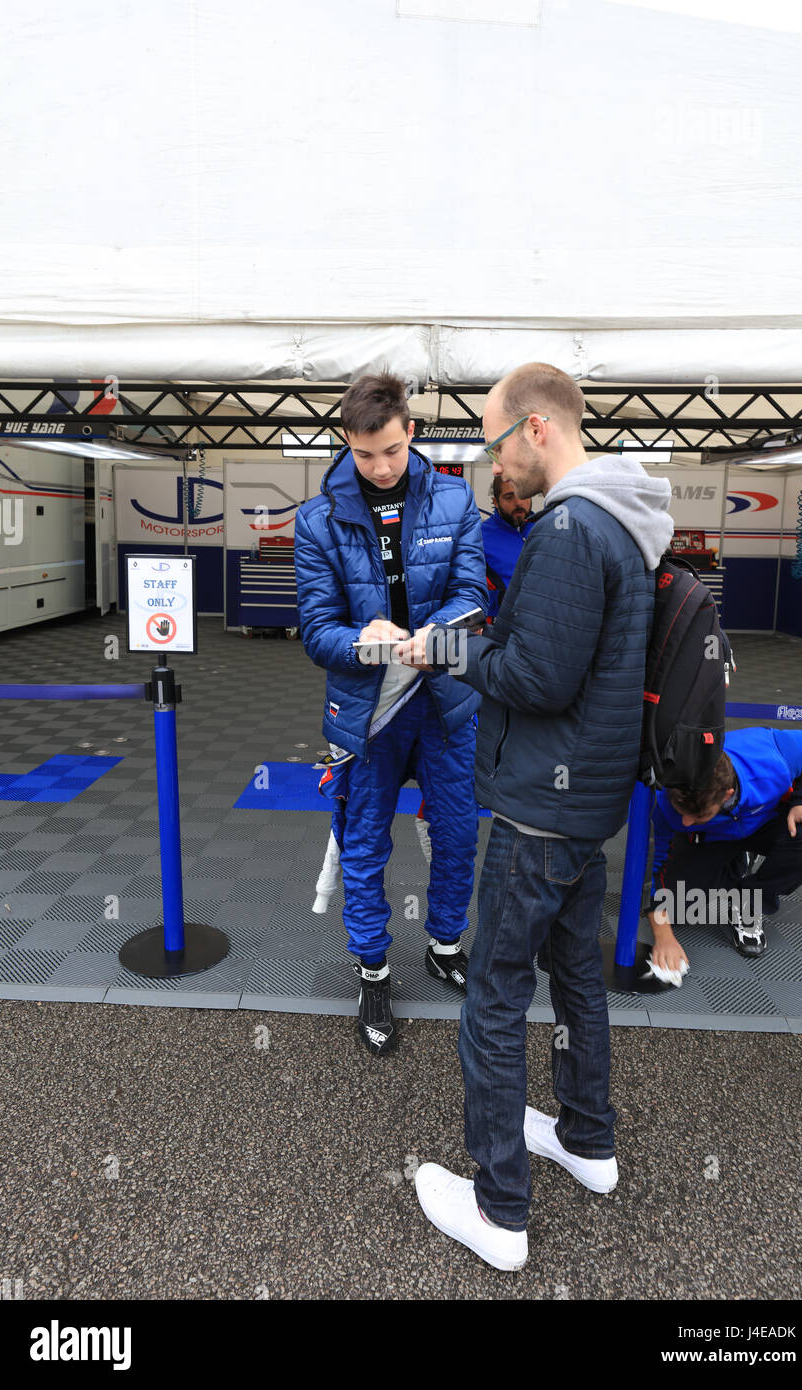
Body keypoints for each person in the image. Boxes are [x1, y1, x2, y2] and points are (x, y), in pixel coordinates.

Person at [395, 361, 673, 1270]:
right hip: (587, 801)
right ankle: (589, 1142)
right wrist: (471, 640)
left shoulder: (567, 528)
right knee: (577, 980)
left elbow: (534, 678)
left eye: (495, 442)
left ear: (537, 430)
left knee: (494, 997)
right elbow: (559, 652)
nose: (493, 464)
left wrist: (447, 657)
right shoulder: (626, 523)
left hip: (539, 806)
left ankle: (499, 1209)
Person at [294, 371, 488, 1057]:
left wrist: (429, 639)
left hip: (443, 700)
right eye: (362, 454)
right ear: (346, 441)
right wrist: (359, 641)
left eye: (390, 451)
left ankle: (443, 944)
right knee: (365, 841)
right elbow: (317, 629)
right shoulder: (317, 520)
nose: (378, 468)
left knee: (458, 833)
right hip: (367, 709)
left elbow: (471, 593)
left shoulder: (457, 497)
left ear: (411, 430)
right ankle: (373, 972)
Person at [646, 727, 802, 971]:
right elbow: (661, 864)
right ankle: (736, 860)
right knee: (681, 909)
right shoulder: (668, 801)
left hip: (764, 822)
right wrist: (663, 936)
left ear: (727, 795)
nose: (684, 822)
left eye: (698, 815)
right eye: (683, 814)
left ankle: (748, 901)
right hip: (711, 838)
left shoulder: (772, 759)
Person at [481, 477, 534, 621]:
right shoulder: (479, 537)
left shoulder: (545, 528)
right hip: (502, 629)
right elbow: (468, 591)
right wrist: (501, 599)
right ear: (495, 502)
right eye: (509, 497)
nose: (518, 502)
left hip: (543, 626)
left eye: (523, 495)